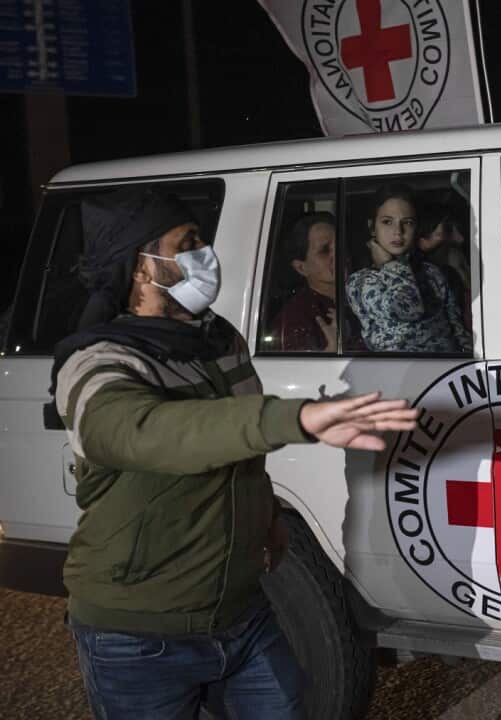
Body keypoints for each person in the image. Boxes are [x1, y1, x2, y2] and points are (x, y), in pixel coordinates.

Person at [49, 187, 420, 719]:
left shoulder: (218, 338)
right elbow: (142, 431)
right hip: (138, 636)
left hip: (242, 615)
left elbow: (236, 449)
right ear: (140, 267)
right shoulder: (97, 361)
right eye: (188, 242)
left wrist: (266, 515)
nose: (206, 253)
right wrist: (293, 419)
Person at [347, 184, 469, 353]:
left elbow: (457, 328)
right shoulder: (360, 282)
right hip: (398, 374)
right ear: (372, 227)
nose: (398, 232)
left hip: (448, 373)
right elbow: (408, 308)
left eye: (407, 222)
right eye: (387, 222)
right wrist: (389, 265)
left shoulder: (431, 272)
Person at [266, 212, 339, 352]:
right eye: (324, 250)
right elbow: (294, 372)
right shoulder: (294, 319)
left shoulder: (364, 293)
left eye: (341, 245)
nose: (338, 254)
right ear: (301, 267)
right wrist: (332, 350)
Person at [410, 204, 473, 352]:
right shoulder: (428, 274)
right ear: (422, 237)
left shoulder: (453, 256)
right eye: (446, 231)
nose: (460, 238)